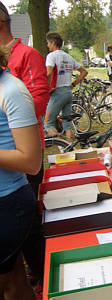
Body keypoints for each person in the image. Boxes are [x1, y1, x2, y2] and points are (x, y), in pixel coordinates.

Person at [0, 1, 49, 291]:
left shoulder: (27, 54)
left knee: (29, 228)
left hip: (23, 154)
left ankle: (45, 275)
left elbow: (37, 99)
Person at [44, 32, 88, 140]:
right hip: (68, 92)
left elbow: (48, 73)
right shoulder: (68, 56)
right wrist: (73, 84)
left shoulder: (51, 56)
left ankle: (59, 145)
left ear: (53, 42)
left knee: (47, 122)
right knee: (67, 124)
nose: (47, 45)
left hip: (57, 92)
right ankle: (70, 147)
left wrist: (43, 86)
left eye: (48, 43)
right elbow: (84, 72)